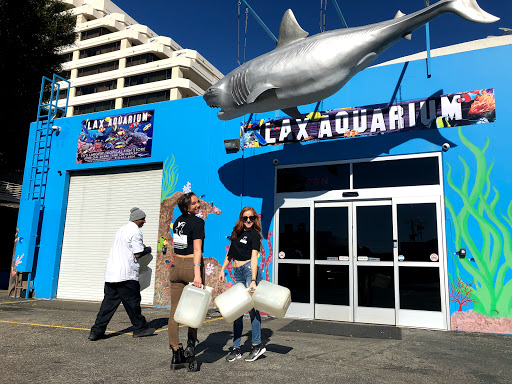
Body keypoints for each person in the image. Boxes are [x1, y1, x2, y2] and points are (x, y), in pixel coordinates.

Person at [88, 207, 155, 341]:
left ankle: (96, 331)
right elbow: (137, 253)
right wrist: (147, 249)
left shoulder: (121, 230)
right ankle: (140, 329)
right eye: (143, 219)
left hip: (112, 274)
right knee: (133, 303)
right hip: (126, 275)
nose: (144, 221)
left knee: (108, 305)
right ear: (137, 220)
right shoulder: (135, 232)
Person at [218, 207, 266, 362]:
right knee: (237, 310)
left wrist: (253, 280)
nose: (248, 221)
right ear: (241, 218)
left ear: (255, 219)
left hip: (248, 271)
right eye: (245, 218)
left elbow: (254, 257)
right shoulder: (237, 233)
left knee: (252, 309)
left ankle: (256, 345)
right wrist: (222, 269)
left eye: (251, 218)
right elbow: (230, 253)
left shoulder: (254, 235)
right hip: (237, 272)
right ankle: (237, 348)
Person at [169, 192, 206, 370]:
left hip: (176, 265)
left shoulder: (177, 222)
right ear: (186, 207)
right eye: (194, 203)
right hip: (192, 265)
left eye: (197, 202)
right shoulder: (198, 222)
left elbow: (179, 244)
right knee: (193, 309)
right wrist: (197, 274)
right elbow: (197, 249)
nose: (198, 205)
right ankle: (191, 347)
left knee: (175, 311)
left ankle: (176, 353)